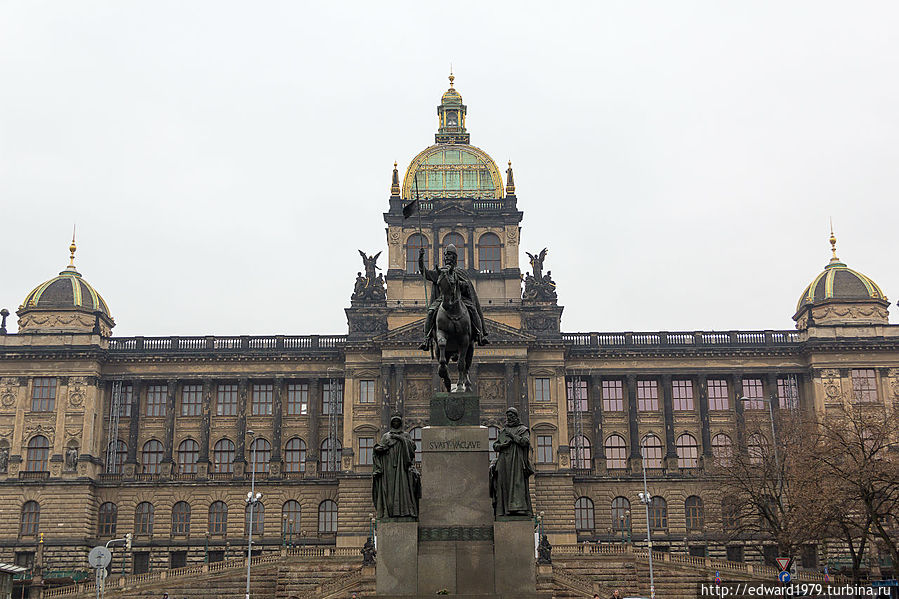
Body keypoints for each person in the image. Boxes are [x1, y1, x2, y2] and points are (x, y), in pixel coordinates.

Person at [418, 244, 488, 351]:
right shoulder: (441, 272)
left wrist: (458, 283)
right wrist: (421, 258)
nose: (447, 257)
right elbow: (425, 273)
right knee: (431, 312)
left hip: (460, 299)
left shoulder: (460, 272)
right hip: (442, 299)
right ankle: (426, 339)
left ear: (454, 257)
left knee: (473, 310)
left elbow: (467, 286)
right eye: (446, 255)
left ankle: (480, 334)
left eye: (449, 255)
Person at [372, 413, 420, 518]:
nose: (396, 423)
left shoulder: (405, 435)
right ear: (391, 423)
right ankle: (390, 512)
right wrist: (379, 449)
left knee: (403, 489)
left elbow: (412, 447)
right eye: (394, 421)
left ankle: (405, 511)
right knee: (390, 490)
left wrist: (400, 439)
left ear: (400, 423)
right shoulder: (386, 436)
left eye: (398, 421)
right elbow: (380, 448)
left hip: (402, 467)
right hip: (389, 466)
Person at [489, 407, 534, 516]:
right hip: (503, 461)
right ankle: (503, 510)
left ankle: (518, 509)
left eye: (511, 416)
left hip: (516, 461)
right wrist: (502, 445)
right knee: (503, 485)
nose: (509, 418)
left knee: (517, 485)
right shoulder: (503, 430)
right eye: (508, 416)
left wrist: (513, 437)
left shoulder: (523, 429)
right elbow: (495, 445)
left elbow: (525, 441)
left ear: (516, 416)